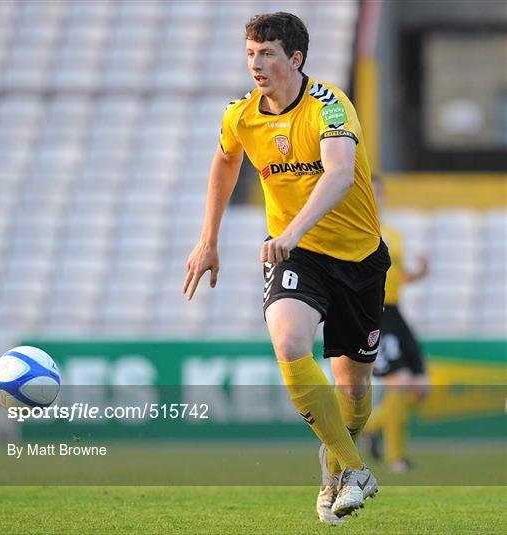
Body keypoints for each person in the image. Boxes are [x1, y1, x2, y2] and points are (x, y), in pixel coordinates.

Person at [183, 12, 390, 523]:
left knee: (353, 393)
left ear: (295, 59)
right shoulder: (241, 115)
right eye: (251, 52)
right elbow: (226, 159)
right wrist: (209, 239)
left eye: (268, 53)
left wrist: (290, 230)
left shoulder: (331, 105)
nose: (256, 63)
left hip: (358, 258)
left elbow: (340, 175)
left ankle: (334, 463)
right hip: (295, 255)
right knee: (289, 342)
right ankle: (354, 467)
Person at [363, 176, 430, 472]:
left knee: (419, 389)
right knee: (400, 384)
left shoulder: (393, 233)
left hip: (396, 312)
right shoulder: (356, 231)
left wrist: (417, 275)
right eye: (369, 192)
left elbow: (394, 277)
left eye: (378, 193)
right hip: (374, 313)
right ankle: (395, 458)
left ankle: (372, 426)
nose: (375, 198)